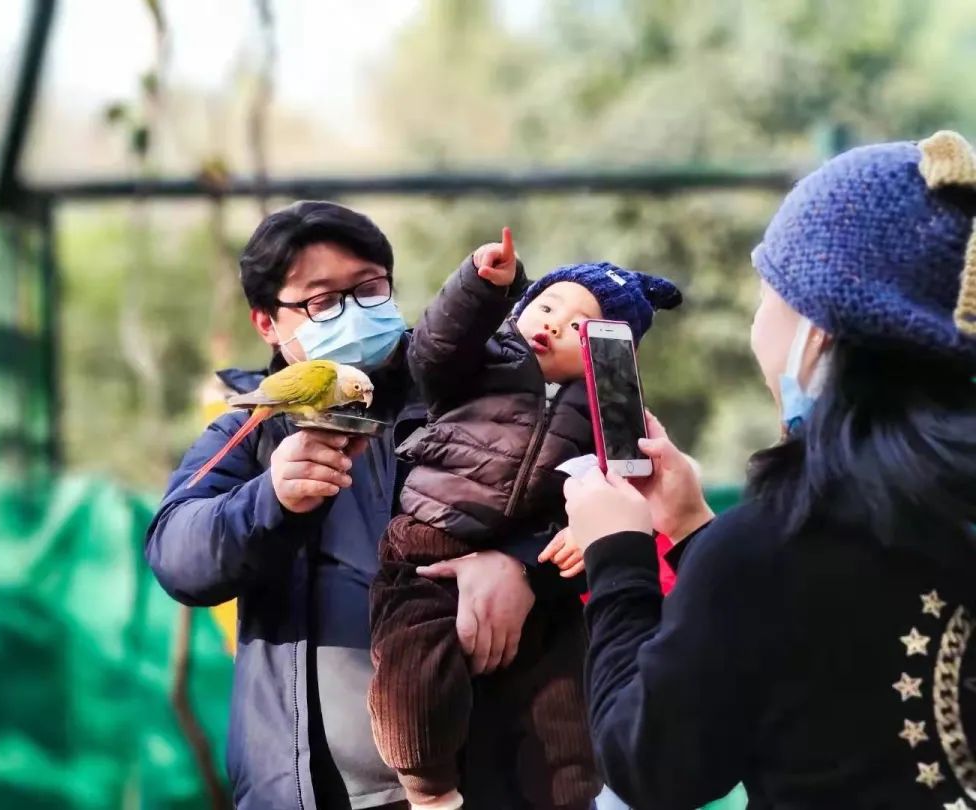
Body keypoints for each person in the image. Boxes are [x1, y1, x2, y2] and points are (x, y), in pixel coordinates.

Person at [562, 130, 976, 809]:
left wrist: (618, 559)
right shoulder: (941, 521)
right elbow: (805, 642)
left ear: (817, 334)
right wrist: (697, 528)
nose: (759, 322)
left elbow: (651, 766)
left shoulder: (765, 551)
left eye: (767, 296)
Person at [145, 201, 570, 810]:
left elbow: (585, 504)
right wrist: (271, 500)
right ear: (268, 323)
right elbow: (176, 553)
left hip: (493, 774)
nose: (352, 312)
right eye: (321, 301)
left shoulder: (468, 393)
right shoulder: (258, 428)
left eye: (368, 289)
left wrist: (524, 564)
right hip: (312, 790)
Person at [367, 229, 682, 810]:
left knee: (563, 709)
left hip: (538, 569)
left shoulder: (606, 409)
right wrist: (482, 287)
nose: (553, 326)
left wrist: (575, 539)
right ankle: (430, 790)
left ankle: (571, 799)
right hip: (429, 540)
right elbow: (434, 348)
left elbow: (617, 491)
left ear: (612, 349)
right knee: (414, 671)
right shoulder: (483, 364)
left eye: (580, 328)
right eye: (545, 306)